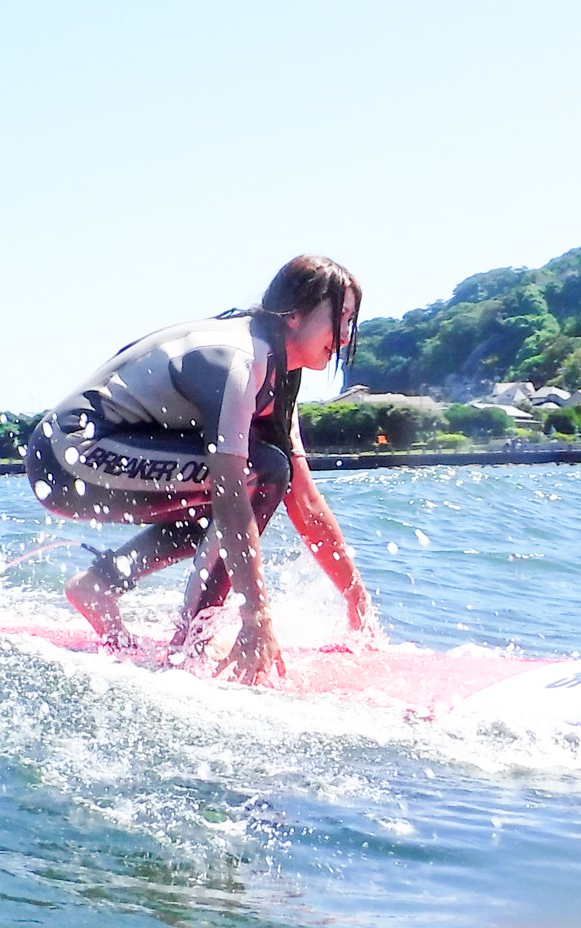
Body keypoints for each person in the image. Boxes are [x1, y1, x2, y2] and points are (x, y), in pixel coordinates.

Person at [24, 255, 374, 684]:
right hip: (66, 457)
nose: (345, 335)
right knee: (259, 474)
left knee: (263, 477)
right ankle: (192, 644)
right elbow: (232, 492)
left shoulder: (281, 371)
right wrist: (255, 616)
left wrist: (357, 602)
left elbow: (303, 499)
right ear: (294, 314)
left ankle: (101, 585)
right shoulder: (240, 358)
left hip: (97, 454)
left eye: (351, 321)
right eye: (340, 318)